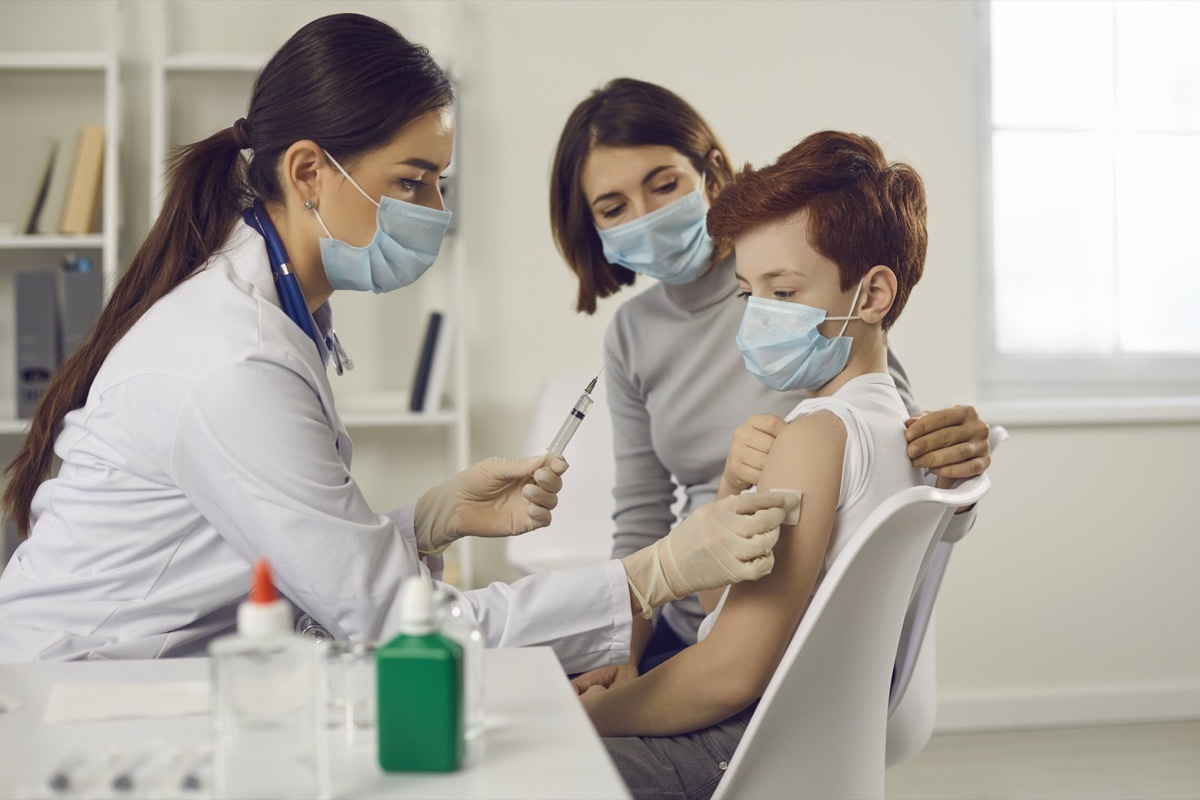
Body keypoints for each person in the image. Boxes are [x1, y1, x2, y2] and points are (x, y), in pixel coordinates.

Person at [0, 15, 800, 663]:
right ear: (310, 174)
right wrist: (651, 575)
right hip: (80, 698)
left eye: (439, 182)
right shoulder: (234, 362)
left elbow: (295, 548)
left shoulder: (274, 319)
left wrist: (425, 520)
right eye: (411, 182)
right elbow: (390, 623)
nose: (437, 210)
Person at [549, 78, 991, 687]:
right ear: (593, 226)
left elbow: (901, 470)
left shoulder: (799, 290)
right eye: (614, 207)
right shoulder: (632, 334)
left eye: (663, 184)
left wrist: (956, 466)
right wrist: (619, 648)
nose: (646, 216)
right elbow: (642, 516)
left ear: (710, 172)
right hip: (692, 613)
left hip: (781, 634)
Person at [581, 129, 936, 799]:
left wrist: (591, 717)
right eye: (749, 294)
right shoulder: (879, 419)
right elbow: (719, 598)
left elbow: (728, 673)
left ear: (874, 294)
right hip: (802, 726)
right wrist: (730, 487)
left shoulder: (819, 434)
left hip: (742, 737)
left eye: (784, 292)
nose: (757, 320)